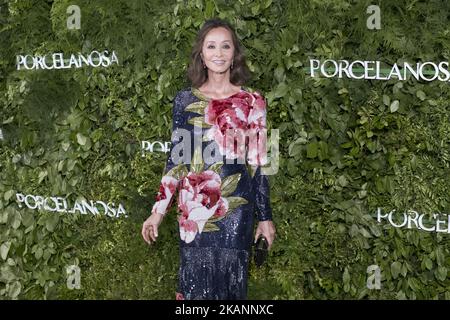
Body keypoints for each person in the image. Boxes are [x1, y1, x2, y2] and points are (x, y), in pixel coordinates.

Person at [141, 18, 276, 300]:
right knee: (194, 287)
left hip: (236, 211)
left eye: (225, 46)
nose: (218, 53)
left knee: (230, 287)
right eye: (211, 46)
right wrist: (158, 211)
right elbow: (177, 160)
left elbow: (260, 163)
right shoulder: (183, 100)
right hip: (194, 210)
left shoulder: (253, 101)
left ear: (234, 53)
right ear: (201, 54)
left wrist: (265, 217)